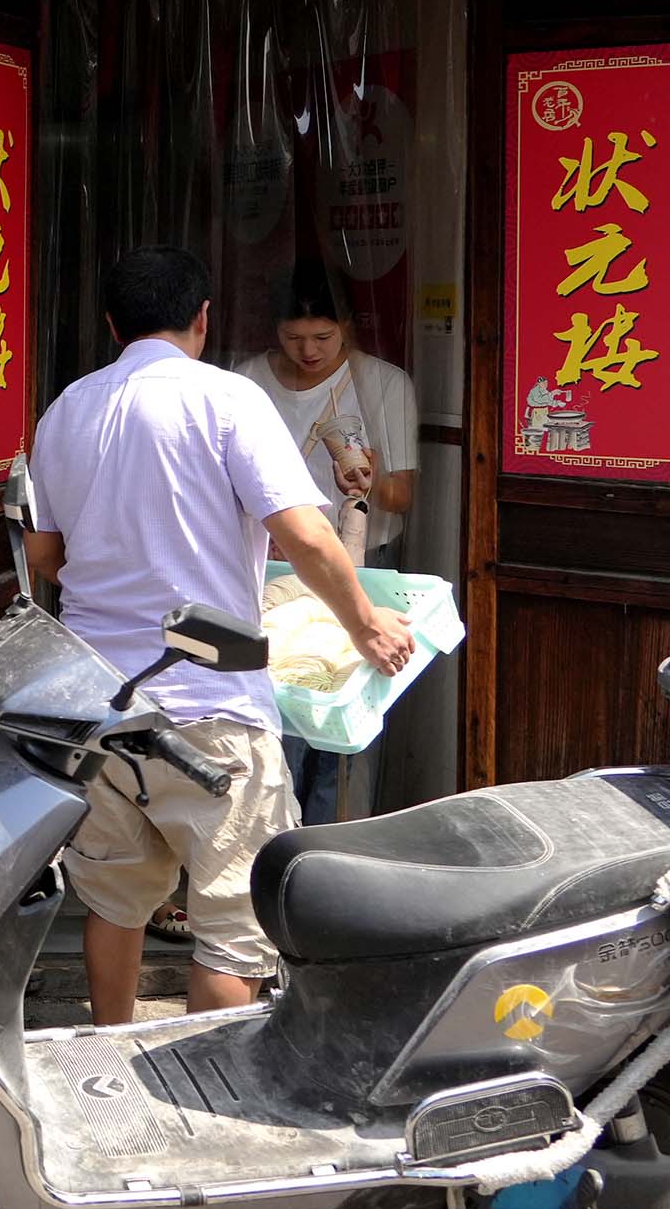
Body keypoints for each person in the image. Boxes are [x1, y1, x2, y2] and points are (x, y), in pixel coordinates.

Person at [24, 245, 416, 1026]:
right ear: (202, 320)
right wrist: (368, 627)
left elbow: (44, 556)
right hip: (214, 701)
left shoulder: (67, 408)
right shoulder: (228, 400)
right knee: (232, 933)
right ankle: (208, 1101)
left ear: (112, 324)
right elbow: (304, 536)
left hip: (97, 703)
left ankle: (109, 1059)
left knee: (114, 903)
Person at [231, 262, 421, 824]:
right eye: (293, 338)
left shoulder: (383, 384)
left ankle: (333, 846)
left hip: (361, 567)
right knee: (278, 716)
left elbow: (401, 496)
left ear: (348, 326)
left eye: (322, 336)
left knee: (344, 726)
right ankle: (273, 846)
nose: (308, 350)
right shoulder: (243, 383)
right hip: (269, 572)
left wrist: (368, 479)